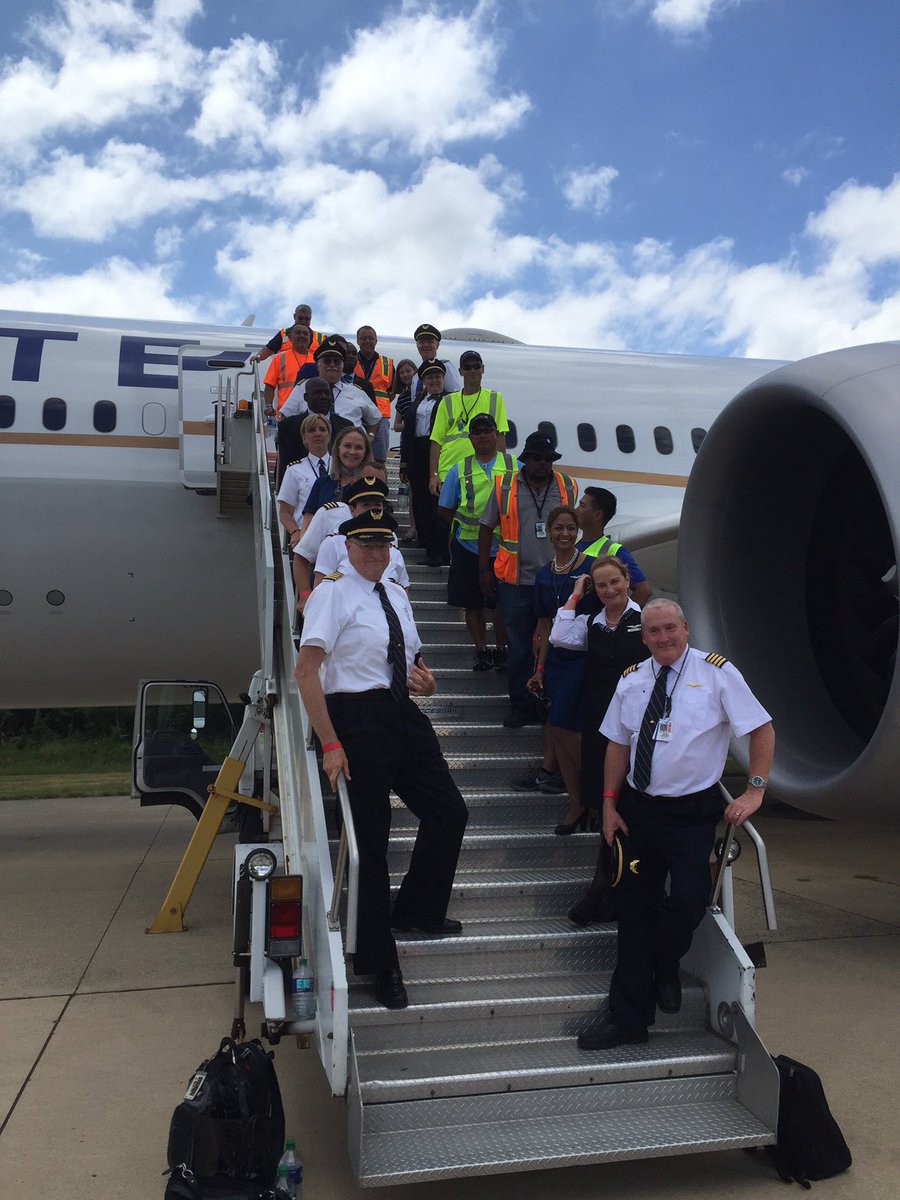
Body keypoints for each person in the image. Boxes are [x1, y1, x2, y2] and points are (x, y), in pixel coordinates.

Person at [577, 598, 775, 1051]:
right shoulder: (632, 680)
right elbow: (617, 746)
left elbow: (761, 729)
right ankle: (627, 1020)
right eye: (653, 632)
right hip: (639, 810)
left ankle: (665, 964)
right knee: (634, 913)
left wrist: (755, 789)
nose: (662, 638)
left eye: (670, 628)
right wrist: (608, 804)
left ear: (685, 628)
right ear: (643, 637)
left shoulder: (717, 672)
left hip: (691, 812)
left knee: (688, 902)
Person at [295, 508, 468, 1009]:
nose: (375, 553)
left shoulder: (394, 592)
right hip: (356, 718)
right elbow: (307, 672)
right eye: (365, 545)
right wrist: (329, 742)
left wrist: (428, 681)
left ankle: (417, 909)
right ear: (347, 547)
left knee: (449, 812)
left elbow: (410, 658)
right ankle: (378, 961)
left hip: (403, 714)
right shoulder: (332, 592)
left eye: (383, 545)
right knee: (371, 844)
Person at [549, 555, 650, 921]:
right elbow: (559, 636)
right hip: (601, 723)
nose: (610, 590)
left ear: (627, 580)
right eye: (602, 585)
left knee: (630, 802)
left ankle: (615, 886)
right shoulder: (593, 623)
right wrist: (577, 594)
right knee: (605, 801)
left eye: (615, 582)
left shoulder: (645, 621)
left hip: (636, 723)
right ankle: (607, 884)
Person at [477, 431, 578, 727]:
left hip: (558, 580)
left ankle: (549, 704)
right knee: (519, 647)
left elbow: (575, 531)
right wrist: (484, 570)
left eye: (548, 459)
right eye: (536, 458)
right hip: (516, 582)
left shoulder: (567, 487)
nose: (542, 464)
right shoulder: (505, 486)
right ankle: (520, 706)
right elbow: (486, 528)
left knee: (557, 645)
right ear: (525, 459)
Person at [526, 505, 594, 832]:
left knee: (570, 729)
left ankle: (596, 792)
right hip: (557, 662)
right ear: (548, 532)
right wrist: (540, 668)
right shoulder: (543, 574)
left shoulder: (591, 570)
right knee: (558, 727)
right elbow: (543, 624)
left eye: (570, 528)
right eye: (558, 529)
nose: (564, 534)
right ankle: (577, 804)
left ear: (577, 531)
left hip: (585, 659)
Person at [437, 412, 514, 670]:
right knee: (472, 603)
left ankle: (501, 649)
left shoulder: (515, 466)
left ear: (496, 434)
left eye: (487, 430)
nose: (483, 436)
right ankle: (481, 650)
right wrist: (464, 528)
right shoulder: (460, 469)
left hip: (504, 548)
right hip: (468, 547)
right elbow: (445, 507)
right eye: (477, 431)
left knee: (501, 604)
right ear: (470, 438)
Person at [293, 472, 391, 614]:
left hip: (380, 609)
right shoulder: (334, 536)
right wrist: (305, 597)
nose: (372, 510)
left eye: (377, 505)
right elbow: (301, 558)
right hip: (340, 608)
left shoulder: (389, 535)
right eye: (366, 505)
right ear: (352, 509)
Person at [428, 350, 509, 493]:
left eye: (476, 366)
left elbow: (500, 438)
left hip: (482, 473)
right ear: (460, 371)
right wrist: (434, 475)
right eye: (467, 367)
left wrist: (502, 472)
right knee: (447, 514)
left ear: (482, 369)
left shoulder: (495, 398)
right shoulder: (447, 401)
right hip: (449, 472)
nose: (472, 370)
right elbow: (436, 441)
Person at [399, 360, 451, 567]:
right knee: (419, 502)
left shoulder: (450, 401)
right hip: (417, 453)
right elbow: (407, 433)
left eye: (438, 376)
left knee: (436, 504)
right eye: (430, 377)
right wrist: (404, 462)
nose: (435, 380)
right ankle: (428, 547)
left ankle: (440, 551)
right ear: (423, 381)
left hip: (438, 451)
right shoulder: (417, 403)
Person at [280, 338, 383, 437]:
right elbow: (285, 416)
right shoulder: (303, 387)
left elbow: (375, 418)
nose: (332, 365)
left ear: (342, 366)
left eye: (337, 362)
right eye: (327, 361)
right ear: (318, 366)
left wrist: (370, 437)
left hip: (349, 451)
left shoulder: (356, 392)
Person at [575, 488, 652, 607]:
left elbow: (644, 590)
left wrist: (621, 620)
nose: (576, 510)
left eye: (582, 506)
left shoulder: (614, 550)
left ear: (597, 515)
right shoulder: (574, 546)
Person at [276, 378, 353, 480]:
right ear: (306, 397)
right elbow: (285, 465)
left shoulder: (346, 426)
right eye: (317, 393)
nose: (323, 397)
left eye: (327, 393)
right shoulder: (288, 426)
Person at [276, 413, 331, 556]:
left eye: (322, 429)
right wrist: (295, 532)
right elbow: (285, 512)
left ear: (329, 435)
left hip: (336, 537)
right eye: (312, 430)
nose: (318, 433)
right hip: (307, 537)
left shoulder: (341, 468)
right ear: (304, 437)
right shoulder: (294, 471)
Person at [355, 326, 394, 464]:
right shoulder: (351, 361)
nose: (367, 341)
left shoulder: (387, 364)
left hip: (380, 418)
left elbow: (392, 392)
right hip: (356, 415)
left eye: (370, 338)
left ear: (376, 341)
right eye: (363, 338)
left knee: (378, 459)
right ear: (358, 341)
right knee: (355, 457)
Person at [262, 324, 314, 415]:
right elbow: (270, 385)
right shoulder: (279, 358)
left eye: (305, 334)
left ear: (310, 339)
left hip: (310, 414)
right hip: (285, 414)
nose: (302, 335)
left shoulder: (316, 361)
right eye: (298, 333)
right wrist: (269, 406)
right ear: (290, 337)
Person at [251, 303, 322, 365]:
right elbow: (269, 349)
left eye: (307, 319)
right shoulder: (284, 334)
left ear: (311, 318)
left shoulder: (320, 338)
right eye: (300, 318)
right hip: (287, 378)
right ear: (294, 317)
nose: (303, 322)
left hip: (311, 378)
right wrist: (258, 357)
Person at [410, 323, 462, 398]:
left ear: (437, 345)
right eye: (422, 342)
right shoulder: (416, 377)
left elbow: (455, 396)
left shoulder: (445, 366)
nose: (426, 345)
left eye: (430, 342)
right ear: (417, 345)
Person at [391, 358, 417, 432]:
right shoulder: (402, 398)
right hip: (408, 439)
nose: (405, 375)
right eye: (402, 373)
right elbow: (396, 426)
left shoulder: (424, 393)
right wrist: (412, 426)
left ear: (415, 371)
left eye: (408, 371)